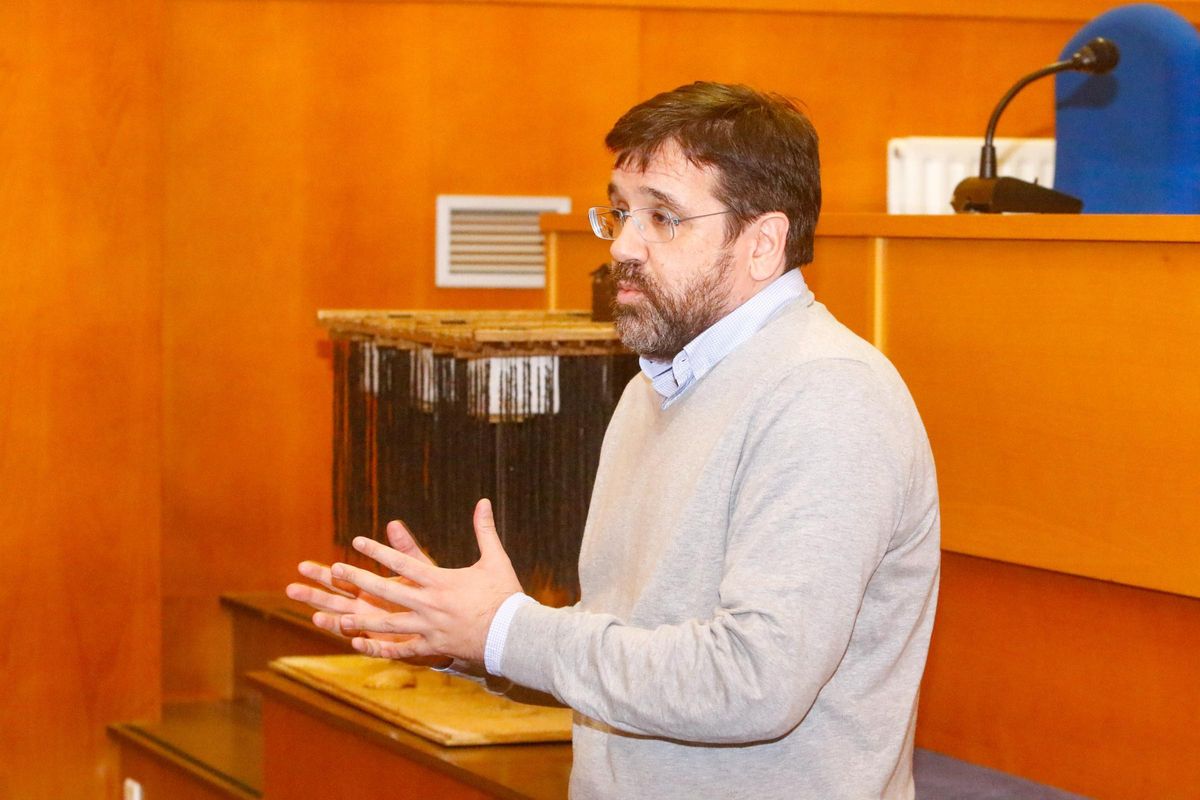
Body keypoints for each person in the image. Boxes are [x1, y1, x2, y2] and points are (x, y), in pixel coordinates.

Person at [288, 81, 940, 800]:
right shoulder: (650, 389)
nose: (623, 246)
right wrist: (466, 636)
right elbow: (630, 649)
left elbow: (754, 680)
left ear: (762, 244)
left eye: (663, 217)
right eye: (621, 211)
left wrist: (510, 631)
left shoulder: (827, 394)